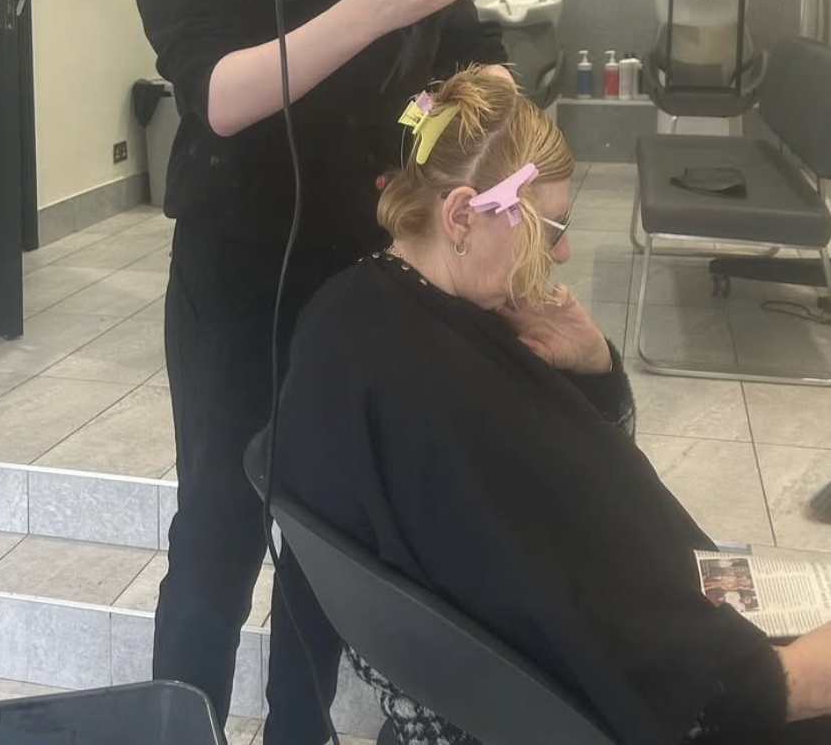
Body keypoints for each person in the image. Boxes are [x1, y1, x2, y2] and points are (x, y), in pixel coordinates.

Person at [133, 0, 507, 739]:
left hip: (363, 277)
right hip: (233, 277)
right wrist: (373, 9)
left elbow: (468, 79)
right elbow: (216, 95)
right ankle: (179, 726)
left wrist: (479, 110)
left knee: (331, 550)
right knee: (216, 538)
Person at [274, 65, 831, 744]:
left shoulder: (350, 309)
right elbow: (582, 628)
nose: (562, 252)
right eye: (551, 225)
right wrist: (786, 683)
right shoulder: (441, 389)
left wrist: (594, 370)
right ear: (459, 217)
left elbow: (562, 501)